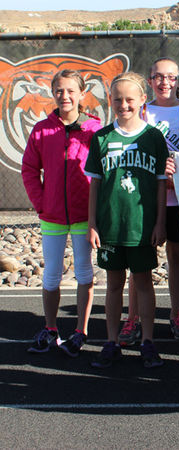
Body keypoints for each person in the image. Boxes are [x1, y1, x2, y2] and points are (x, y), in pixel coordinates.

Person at [85, 72, 168, 369]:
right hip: (110, 226)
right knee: (113, 284)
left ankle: (147, 341)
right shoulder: (102, 137)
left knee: (143, 282)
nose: (123, 104)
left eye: (130, 99)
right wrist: (92, 223)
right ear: (110, 100)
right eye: (117, 99)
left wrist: (160, 223)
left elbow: (160, 184)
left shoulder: (153, 137)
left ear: (142, 100)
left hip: (142, 226)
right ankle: (111, 341)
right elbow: (94, 184)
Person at [21, 69, 100, 357]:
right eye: (59, 91)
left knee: (84, 273)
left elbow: (102, 172)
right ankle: (51, 328)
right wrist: (41, 203)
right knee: (51, 275)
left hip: (83, 216)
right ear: (52, 93)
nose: (64, 96)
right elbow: (29, 168)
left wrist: (96, 210)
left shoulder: (94, 129)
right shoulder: (42, 129)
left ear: (81, 93)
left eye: (70, 91)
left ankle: (81, 331)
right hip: (51, 215)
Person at [119, 57, 179, 346]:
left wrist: (178, 174)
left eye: (171, 77)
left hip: (178, 198)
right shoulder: (141, 110)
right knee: (140, 261)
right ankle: (133, 317)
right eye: (158, 77)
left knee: (177, 256)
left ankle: (176, 313)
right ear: (149, 81)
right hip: (146, 197)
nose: (165, 82)